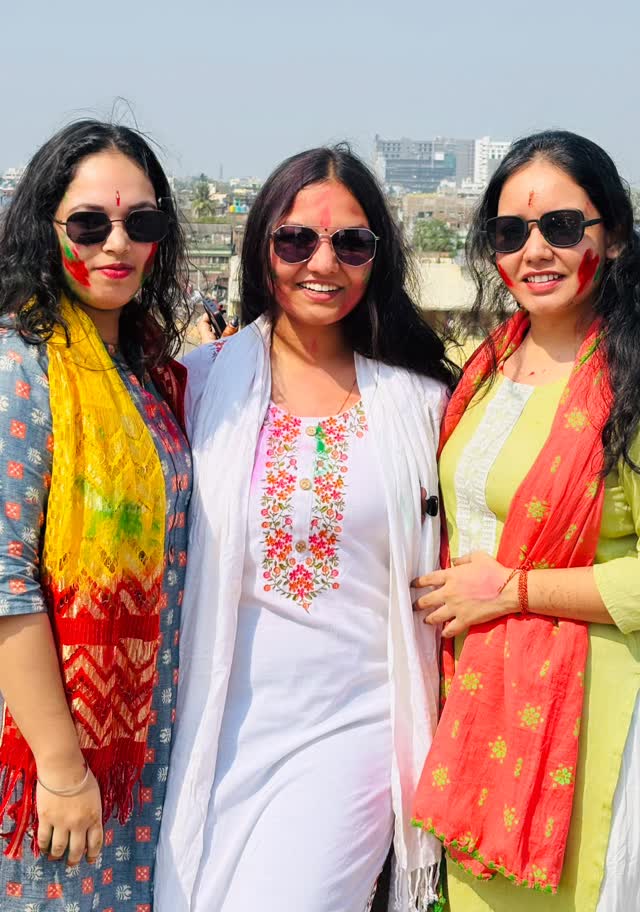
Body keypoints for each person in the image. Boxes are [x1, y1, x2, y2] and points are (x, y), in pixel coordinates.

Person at [155, 144, 459, 912]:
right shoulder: (200, 383)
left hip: (356, 730)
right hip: (215, 724)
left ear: (377, 258)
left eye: (351, 243)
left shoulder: (420, 404)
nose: (323, 263)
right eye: (296, 240)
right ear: (263, 246)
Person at [411, 131, 640, 911]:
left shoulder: (629, 383)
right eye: (511, 232)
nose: (534, 250)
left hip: (589, 721)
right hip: (477, 717)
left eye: (562, 227)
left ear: (613, 238)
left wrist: (515, 589)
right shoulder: (485, 366)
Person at [0, 121, 192, 910]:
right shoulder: (20, 365)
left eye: (140, 222)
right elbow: (5, 583)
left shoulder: (146, 370)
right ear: (45, 229)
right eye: (88, 224)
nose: (117, 243)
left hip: (144, 747)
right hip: (54, 770)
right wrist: (61, 767)